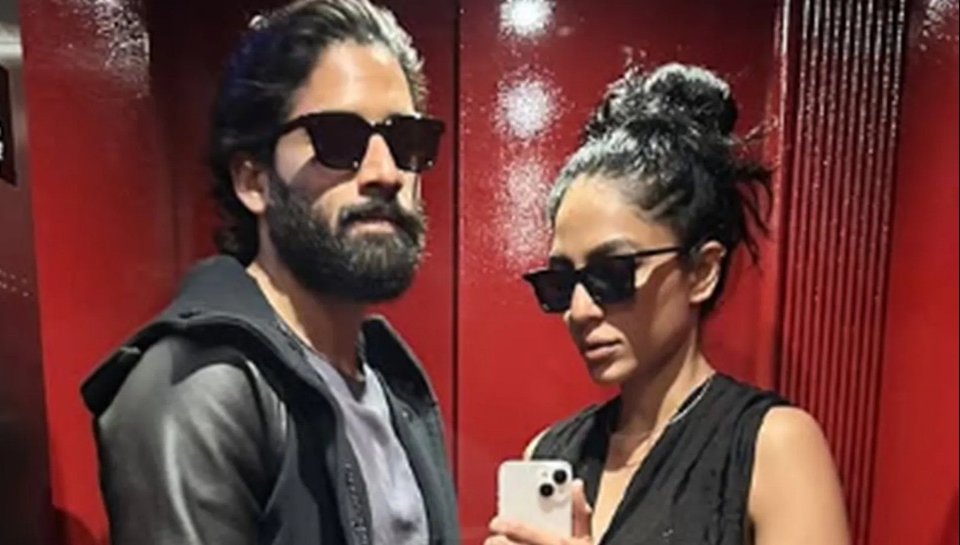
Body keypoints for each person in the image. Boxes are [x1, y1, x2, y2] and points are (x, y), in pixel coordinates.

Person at [79, 1, 458, 544]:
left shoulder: (389, 381)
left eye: (406, 143)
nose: (386, 173)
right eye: (338, 140)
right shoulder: (198, 389)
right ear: (253, 181)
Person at [486, 63, 850, 545]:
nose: (580, 309)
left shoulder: (773, 446)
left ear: (701, 272)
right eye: (561, 283)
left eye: (612, 274)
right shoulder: (551, 452)